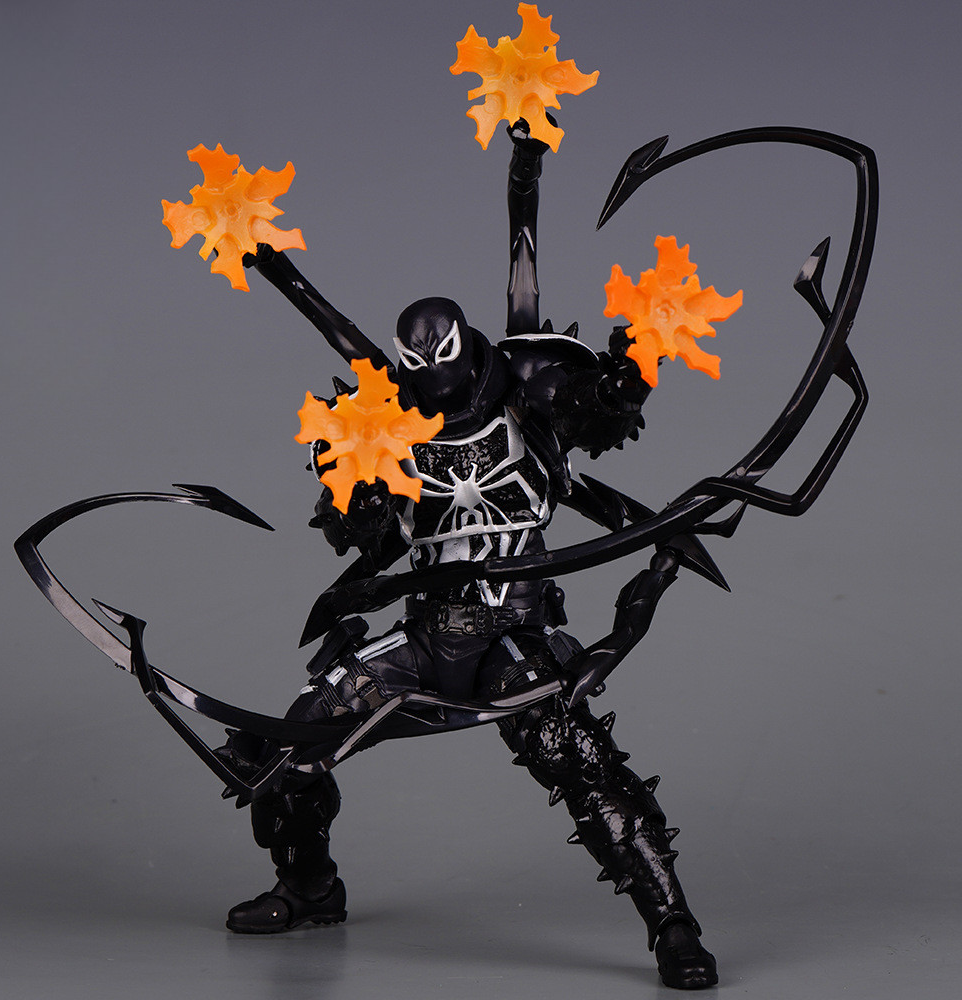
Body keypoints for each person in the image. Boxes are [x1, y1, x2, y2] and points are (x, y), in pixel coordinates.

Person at [216, 120, 718, 990]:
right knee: (292, 745)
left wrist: (528, 163)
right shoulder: (387, 415)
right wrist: (262, 254)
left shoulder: (527, 394)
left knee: (578, 756)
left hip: (511, 633)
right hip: (422, 633)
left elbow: (525, 262)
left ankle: (673, 925)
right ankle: (309, 887)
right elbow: (329, 327)